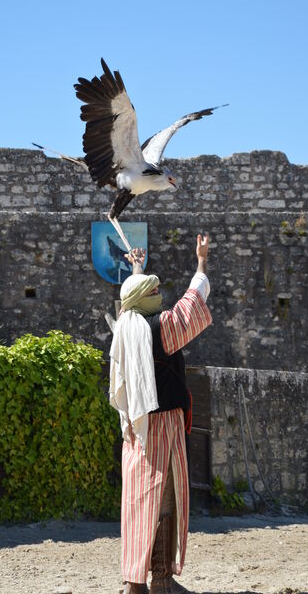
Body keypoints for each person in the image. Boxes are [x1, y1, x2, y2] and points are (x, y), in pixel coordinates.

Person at [109, 234, 212, 594]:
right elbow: (191, 304)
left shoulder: (125, 325)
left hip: (136, 429)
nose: (160, 296)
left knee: (139, 502)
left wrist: (136, 269)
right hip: (162, 425)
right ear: (145, 301)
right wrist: (200, 262)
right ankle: (160, 581)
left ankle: (134, 580)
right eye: (154, 292)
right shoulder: (160, 328)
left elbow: (133, 299)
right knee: (164, 499)